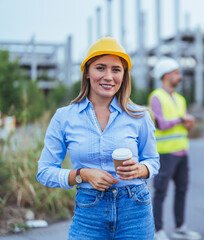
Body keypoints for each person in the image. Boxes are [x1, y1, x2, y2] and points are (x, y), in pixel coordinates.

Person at [37, 37, 160, 240]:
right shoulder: (64, 117)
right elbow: (44, 171)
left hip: (135, 210)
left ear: (124, 75)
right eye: (100, 68)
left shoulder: (139, 116)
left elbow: (153, 162)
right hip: (89, 211)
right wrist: (82, 174)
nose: (108, 76)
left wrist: (140, 169)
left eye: (116, 70)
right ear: (87, 72)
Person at [149, 57, 201, 240]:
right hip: (165, 152)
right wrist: (181, 120)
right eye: (177, 73)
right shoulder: (156, 97)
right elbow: (161, 124)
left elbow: (183, 127)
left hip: (182, 151)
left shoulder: (180, 99)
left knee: (181, 190)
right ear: (166, 75)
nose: (179, 77)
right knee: (160, 191)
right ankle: (157, 230)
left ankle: (180, 227)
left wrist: (188, 123)